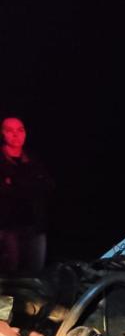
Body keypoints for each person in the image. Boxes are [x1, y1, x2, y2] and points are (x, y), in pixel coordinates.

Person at [0, 117, 54, 274]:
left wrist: (15, 184)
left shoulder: (32, 160)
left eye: (20, 130)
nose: (16, 135)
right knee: (9, 277)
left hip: (35, 226)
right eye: (9, 131)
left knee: (35, 275)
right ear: (2, 134)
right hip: (7, 228)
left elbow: (49, 185)